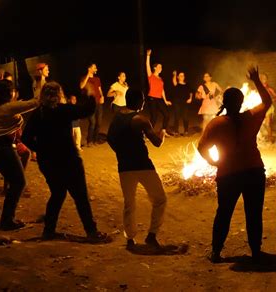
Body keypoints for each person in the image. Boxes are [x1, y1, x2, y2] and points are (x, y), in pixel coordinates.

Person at [198, 66, 272, 264]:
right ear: (241, 102)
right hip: (254, 172)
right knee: (254, 213)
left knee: (223, 213)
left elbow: (201, 147)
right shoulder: (250, 117)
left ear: (223, 102)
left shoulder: (216, 124)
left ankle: (215, 252)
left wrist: (214, 162)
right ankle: (256, 252)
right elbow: (267, 101)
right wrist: (256, 80)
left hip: (229, 175)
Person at [22, 82, 111, 243]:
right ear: (59, 94)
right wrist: (90, 94)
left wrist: (40, 149)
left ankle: (48, 230)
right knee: (80, 196)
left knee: (57, 194)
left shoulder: (38, 114)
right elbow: (87, 110)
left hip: (48, 162)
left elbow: (25, 138)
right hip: (68, 159)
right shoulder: (63, 110)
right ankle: (91, 232)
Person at [107, 89, 167, 248]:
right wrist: (162, 133)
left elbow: (110, 138)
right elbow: (157, 143)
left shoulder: (118, 117)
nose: (144, 102)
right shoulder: (141, 119)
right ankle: (152, 235)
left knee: (129, 203)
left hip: (124, 167)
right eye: (143, 100)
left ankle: (130, 238)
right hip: (143, 165)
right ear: (138, 102)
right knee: (160, 199)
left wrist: (121, 152)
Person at [0, 79, 39, 230]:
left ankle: (7, 218)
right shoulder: (8, 107)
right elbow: (34, 103)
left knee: (13, 179)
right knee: (19, 182)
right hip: (1, 147)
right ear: (9, 93)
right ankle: (7, 220)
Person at [145, 49, 172, 133]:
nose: (161, 68)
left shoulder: (160, 79)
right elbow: (147, 65)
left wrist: (165, 100)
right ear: (155, 68)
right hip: (152, 98)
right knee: (154, 117)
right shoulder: (151, 76)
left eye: (161, 67)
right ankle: (148, 133)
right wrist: (148, 56)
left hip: (159, 99)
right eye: (159, 67)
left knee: (167, 115)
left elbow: (162, 90)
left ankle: (163, 131)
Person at [80, 63, 105, 146]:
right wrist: (88, 75)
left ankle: (95, 140)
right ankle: (89, 141)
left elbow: (99, 89)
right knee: (93, 122)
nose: (96, 69)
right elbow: (81, 86)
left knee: (99, 122)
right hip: (90, 104)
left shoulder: (97, 79)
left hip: (98, 103)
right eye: (94, 68)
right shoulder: (84, 78)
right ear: (89, 68)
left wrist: (102, 96)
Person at [171, 70, 193, 136]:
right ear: (178, 77)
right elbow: (174, 81)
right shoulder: (176, 84)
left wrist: (190, 98)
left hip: (185, 102)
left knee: (185, 117)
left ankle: (186, 131)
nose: (182, 76)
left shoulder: (187, 84)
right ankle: (176, 131)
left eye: (183, 75)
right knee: (177, 116)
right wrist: (174, 75)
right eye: (180, 75)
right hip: (177, 102)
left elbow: (191, 92)